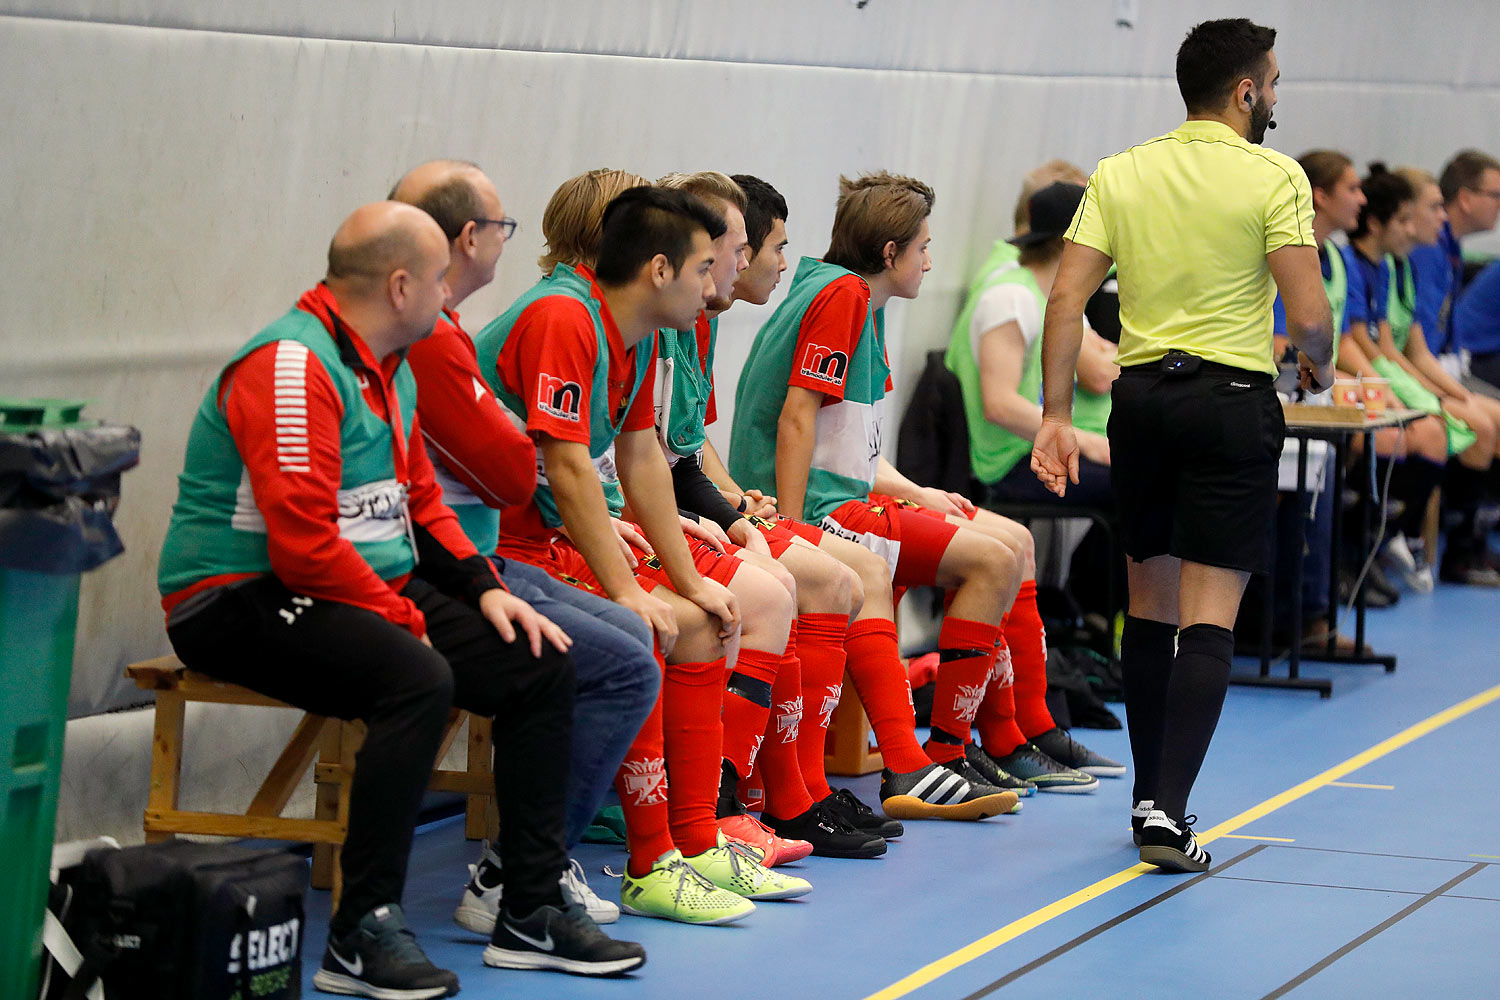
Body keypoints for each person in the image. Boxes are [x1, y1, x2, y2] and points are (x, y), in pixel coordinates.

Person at [157, 202, 646, 998]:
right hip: (237, 598)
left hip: (353, 582)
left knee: (542, 659)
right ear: (398, 286)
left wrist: (484, 591)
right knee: (416, 677)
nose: (452, 295)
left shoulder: (391, 363)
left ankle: (525, 908)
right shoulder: (291, 364)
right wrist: (410, 620)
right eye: (440, 281)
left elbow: (420, 500)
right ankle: (361, 930)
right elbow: (304, 545)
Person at [1034, 19, 1336, 873]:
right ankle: (1169, 813)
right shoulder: (1275, 175)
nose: (1275, 97)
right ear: (1246, 92)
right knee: (1208, 617)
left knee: (1150, 605)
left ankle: (1142, 798)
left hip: (1142, 404)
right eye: (1272, 82)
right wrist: (1319, 363)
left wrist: (1057, 413)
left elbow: (1066, 299)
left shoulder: (1121, 171)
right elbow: (1308, 316)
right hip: (1230, 403)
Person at [733, 171, 1118, 817]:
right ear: (891, 253)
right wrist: (796, 528)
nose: (931, 261)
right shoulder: (844, 298)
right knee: (993, 559)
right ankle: (945, 748)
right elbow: (797, 418)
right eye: (924, 247)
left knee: (1014, 542)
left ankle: (1018, 733)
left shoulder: (853, 298)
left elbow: (852, 447)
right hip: (816, 506)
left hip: (837, 492)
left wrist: (921, 491)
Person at [473, 179, 806, 923]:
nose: (715, 276)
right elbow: (561, 468)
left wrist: (685, 574)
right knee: (658, 631)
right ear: (651, 259)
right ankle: (640, 855)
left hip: (547, 532)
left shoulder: (627, 330)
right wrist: (633, 589)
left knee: (710, 612)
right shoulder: (566, 314)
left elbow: (643, 460)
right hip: (506, 544)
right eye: (703, 261)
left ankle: (690, 839)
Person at [385, 160, 662, 930]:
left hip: (466, 561)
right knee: (598, 658)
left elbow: (622, 459)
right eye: (709, 258)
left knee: (637, 635)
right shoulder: (547, 319)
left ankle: (540, 866)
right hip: (459, 563)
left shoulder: (443, 333)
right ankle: (520, 878)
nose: (726, 272)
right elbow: (522, 472)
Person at [652, 170, 888, 859]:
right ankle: (754, 798)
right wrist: (746, 509)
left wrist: (730, 502)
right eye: (768, 246)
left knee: (841, 580)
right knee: (809, 582)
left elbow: (688, 451)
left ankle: (793, 790)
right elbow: (640, 466)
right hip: (647, 525)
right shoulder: (669, 324)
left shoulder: (696, 327)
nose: (778, 263)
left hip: (701, 507)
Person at [1342, 164, 1498, 589]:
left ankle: (1399, 534)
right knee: (1428, 430)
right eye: (1412, 216)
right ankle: (1369, 540)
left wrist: (1443, 392)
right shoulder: (1351, 262)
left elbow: (1406, 348)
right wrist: (1408, 392)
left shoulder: (1398, 268)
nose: (1417, 227)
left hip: (1397, 369)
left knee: (1470, 419)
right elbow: (1358, 345)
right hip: (1351, 376)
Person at [948, 181, 1115, 508]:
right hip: (1013, 463)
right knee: (1152, 488)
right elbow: (1000, 405)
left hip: (1039, 449)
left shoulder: (1053, 297)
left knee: (1158, 479)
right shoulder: (1011, 298)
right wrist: (1093, 445)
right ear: (1070, 241)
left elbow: (1104, 358)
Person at [1412, 150, 1500, 391]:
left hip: (1452, 360)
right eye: (1495, 195)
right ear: (1465, 199)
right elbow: (1422, 330)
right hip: (1437, 366)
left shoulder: (1451, 247)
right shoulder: (1429, 248)